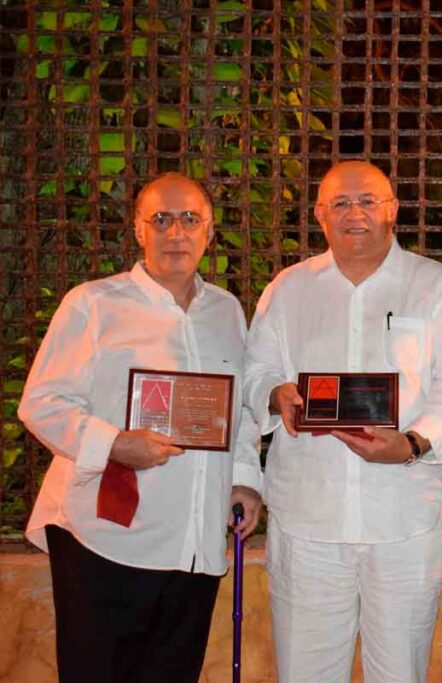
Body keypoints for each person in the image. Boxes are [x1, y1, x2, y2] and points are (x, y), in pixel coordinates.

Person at [19, 172, 263, 683]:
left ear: (210, 232)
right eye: (162, 219)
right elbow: (41, 402)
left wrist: (244, 480)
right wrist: (114, 444)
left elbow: (238, 411)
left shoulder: (228, 310)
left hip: (192, 542)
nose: (176, 231)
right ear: (138, 230)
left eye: (190, 219)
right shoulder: (93, 304)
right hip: (106, 537)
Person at [243, 160, 442, 682]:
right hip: (308, 521)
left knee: (399, 673)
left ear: (392, 209)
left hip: (404, 520)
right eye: (341, 204)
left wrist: (415, 444)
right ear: (319, 215)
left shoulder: (434, 285)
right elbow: (256, 369)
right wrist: (274, 392)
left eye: (369, 201)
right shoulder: (288, 289)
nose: (356, 213)